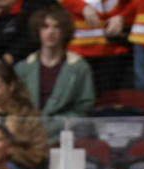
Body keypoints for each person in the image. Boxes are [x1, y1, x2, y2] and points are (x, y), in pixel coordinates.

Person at [16, 8, 97, 136]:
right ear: (38, 31)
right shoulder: (23, 68)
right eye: (45, 27)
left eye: (57, 27)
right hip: (28, 134)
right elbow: (16, 104)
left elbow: (83, 107)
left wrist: (53, 124)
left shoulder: (79, 67)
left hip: (65, 133)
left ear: (64, 31)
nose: (51, 32)